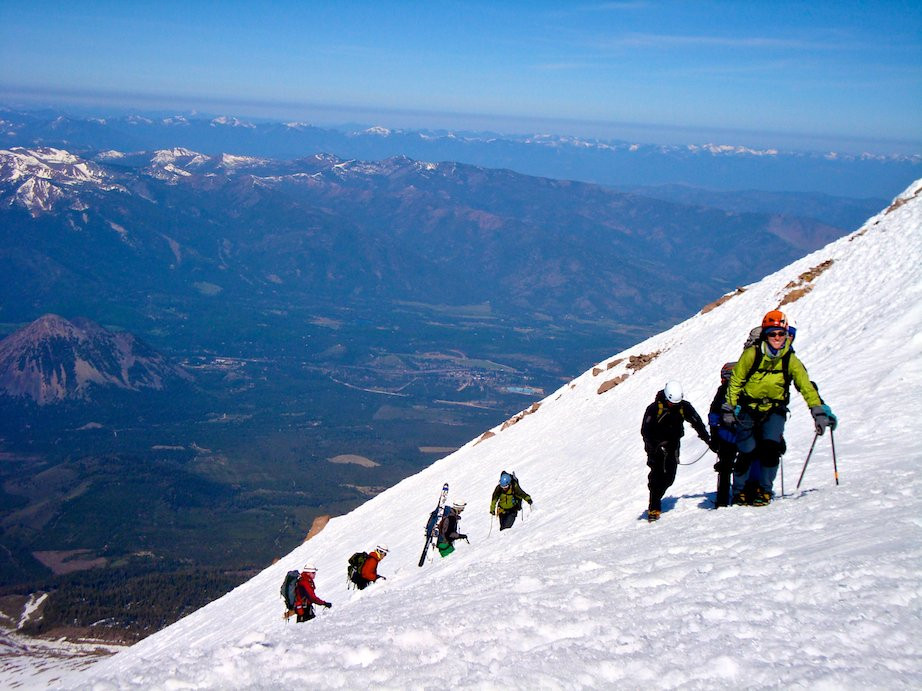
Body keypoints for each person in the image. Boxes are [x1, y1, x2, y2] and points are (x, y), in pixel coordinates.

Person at [722, 310, 836, 506]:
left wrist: (817, 410)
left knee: (771, 448)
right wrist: (729, 408)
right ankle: (739, 491)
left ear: (786, 335)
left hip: (775, 409)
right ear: (766, 335)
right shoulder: (752, 355)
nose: (777, 337)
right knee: (746, 450)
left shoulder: (790, 359)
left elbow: (805, 385)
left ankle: (764, 490)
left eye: (781, 334)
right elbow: (737, 381)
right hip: (749, 408)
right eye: (772, 333)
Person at [641, 381, 712, 521]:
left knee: (669, 478)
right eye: (672, 403)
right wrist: (655, 446)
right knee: (657, 475)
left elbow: (696, 422)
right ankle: (654, 507)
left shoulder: (683, 407)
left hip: (672, 446)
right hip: (655, 447)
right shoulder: (654, 409)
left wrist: (708, 439)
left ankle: (656, 496)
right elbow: (646, 431)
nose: (674, 405)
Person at [708, 363, 738, 508]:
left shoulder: (723, 391)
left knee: (725, 468)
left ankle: (722, 500)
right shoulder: (746, 389)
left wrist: (714, 435)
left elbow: (714, 414)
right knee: (742, 465)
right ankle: (741, 495)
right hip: (744, 435)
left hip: (726, 436)